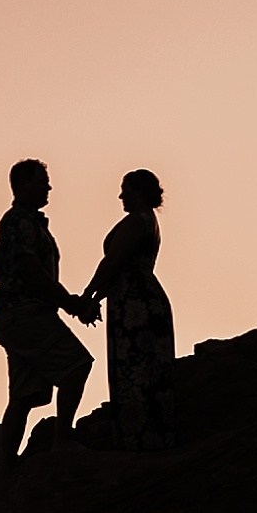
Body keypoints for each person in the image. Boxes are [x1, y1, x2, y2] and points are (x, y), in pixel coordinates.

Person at [0, 158, 96, 458]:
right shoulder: (19, 222)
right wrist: (72, 305)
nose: (48, 187)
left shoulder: (27, 223)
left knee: (23, 396)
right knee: (76, 366)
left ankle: (6, 468)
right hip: (27, 315)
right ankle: (62, 440)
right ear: (22, 185)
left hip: (16, 317)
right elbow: (32, 271)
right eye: (41, 181)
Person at [78, 169, 175, 450]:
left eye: (126, 189)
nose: (121, 195)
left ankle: (138, 440)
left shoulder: (137, 221)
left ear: (139, 193)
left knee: (135, 371)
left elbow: (113, 262)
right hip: (136, 300)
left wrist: (88, 296)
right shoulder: (149, 221)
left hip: (137, 305)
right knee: (145, 371)